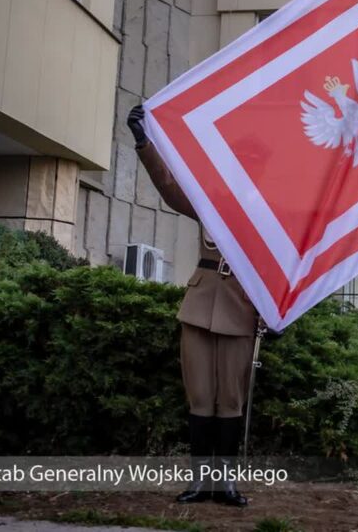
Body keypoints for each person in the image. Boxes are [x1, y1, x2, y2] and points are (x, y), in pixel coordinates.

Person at [127, 105, 257, 507]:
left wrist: (276, 314)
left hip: (241, 308)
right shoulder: (209, 200)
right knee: (200, 397)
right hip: (199, 304)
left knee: (230, 401)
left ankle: (225, 484)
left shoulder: (267, 216)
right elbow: (169, 187)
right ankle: (200, 482)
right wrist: (144, 141)